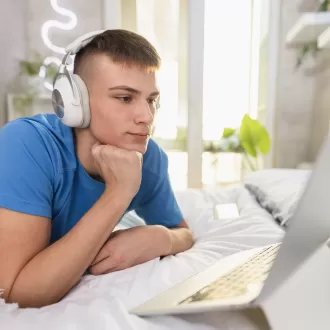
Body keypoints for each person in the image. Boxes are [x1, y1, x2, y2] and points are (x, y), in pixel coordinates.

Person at [0, 29, 193, 308]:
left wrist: (161, 239)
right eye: (125, 98)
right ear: (74, 101)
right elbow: (15, 292)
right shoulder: (25, 145)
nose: (146, 117)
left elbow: (183, 233)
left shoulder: (149, 159)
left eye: (151, 100)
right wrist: (119, 192)